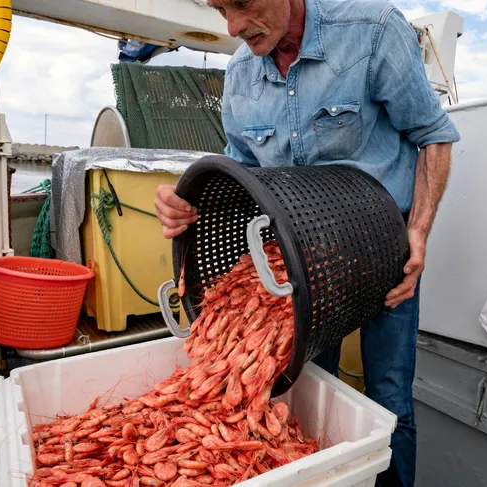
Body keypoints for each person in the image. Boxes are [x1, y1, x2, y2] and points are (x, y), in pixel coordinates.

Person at [154, 0, 459, 484]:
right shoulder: (240, 75)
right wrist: (185, 204)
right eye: (218, 9)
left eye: (242, 3)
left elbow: (434, 135)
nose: (233, 27)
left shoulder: (373, 31)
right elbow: (241, 168)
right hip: (301, 259)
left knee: (390, 395)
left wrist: (418, 232)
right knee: (309, 386)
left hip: (385, 248)